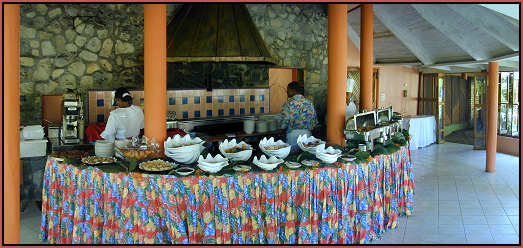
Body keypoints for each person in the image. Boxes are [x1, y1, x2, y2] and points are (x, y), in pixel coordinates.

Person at [279, 81, 318, 152]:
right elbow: (314, 122)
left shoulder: (288, 104)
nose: (287, 92)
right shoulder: (309, 103)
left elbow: (284, 122)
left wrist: (281, 128)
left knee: (292, 160)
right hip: (307, 135)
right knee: (305, 158)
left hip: (292, 136)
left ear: (293, 90)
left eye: (288, 89)